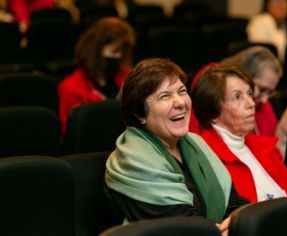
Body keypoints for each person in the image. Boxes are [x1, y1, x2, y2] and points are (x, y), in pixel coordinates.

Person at [104, 58, 249, 235]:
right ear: (139, 113)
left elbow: (233, 203)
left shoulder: (197, 144)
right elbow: (179, 227)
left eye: (182, 91)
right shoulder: (132, 160)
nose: (180, 102)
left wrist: (238, 221)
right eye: (165, 96)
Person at [190, 65, 287, 204]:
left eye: (249, 94)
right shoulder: (204, 156)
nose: (251, 103)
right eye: (237, 97)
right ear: (213, 111)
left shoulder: (262, 147)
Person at [57, 17, 135, 133]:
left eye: (121, 53)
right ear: (95, 52)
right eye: (113, 52)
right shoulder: (71, 88)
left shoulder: (129, 77)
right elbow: (72, 134)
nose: (118, 57)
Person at [220, 46, 282, 136]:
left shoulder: (264, 107)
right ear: (244, 75)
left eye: (270, 92)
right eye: (262, 89)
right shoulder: (216, 89)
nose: (265, 100)